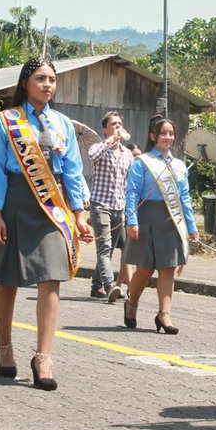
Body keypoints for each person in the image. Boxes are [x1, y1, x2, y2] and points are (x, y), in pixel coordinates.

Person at [0, 58, 93, 391]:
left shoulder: (63, 123)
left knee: (52, 277)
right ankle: (5, 347)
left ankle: (43, 357)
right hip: (14, 201)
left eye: (52, 80)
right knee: (7, 279)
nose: (47, 85)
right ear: (26, 82)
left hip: (51, 207)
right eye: (41, 78)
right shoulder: (7, 121)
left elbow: (73, 171)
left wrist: (78, 213)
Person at [123, 116, 198, 335]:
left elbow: (184, 198)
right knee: (145, 268)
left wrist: (191, 226)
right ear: (153, 136)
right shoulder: (142, 162)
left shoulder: (179, 165)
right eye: (163, 133)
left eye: (171, 133)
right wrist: (131, 220)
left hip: (171, 220)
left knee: (168, 268)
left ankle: (164, 314)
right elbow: (132, 193)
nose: (168, 137)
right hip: (146, 218)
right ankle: (131, 304)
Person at [89, 111, 134, 301]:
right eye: (114, 124)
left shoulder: (127, 154)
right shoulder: (99, 147)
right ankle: (109, 286)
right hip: (100, 205)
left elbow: (130, 181)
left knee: (109, 249)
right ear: (105, 129)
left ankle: (96, 286)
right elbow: (92, 156)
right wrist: (111, 140)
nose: (118, 127)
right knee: (104, 247)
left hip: (119, 207)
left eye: (120, 124)